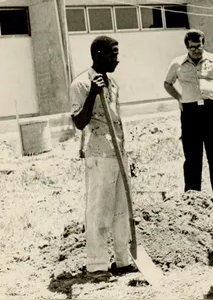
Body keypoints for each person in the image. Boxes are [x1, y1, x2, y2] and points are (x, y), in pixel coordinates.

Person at [70, 36, 137, 281]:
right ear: (98, 54)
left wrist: (126, 154)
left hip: (118, 152)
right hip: (99, 154)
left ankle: (122, 259)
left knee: (122, 208)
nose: (117, 60)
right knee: (99, 209)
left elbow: (117, 121)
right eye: (113, 55)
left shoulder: (114, 83)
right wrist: (92, 94)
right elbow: (79, 122)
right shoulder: (80, 84)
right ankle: (97, 264)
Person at [164, 29, 213, 192]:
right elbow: (167, 83)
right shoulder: (177, 63)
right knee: (192, 155)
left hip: (212, 109)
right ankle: (193, 194)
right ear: (187, 47)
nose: (196, 50)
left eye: (199, 46)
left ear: (203, 44)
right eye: (192, 47)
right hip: (190, 111)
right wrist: (179, 98)